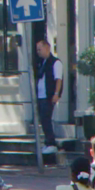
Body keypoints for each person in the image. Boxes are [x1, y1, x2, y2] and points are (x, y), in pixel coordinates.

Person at [34, 36, 63, 165]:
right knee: (43, 118)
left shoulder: (55, 63)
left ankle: (51, 142)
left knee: (46, 118)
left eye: (40, 49)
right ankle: (47, 141)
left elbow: (58, 79)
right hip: (41, 95)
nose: (38, 52)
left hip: (48, 95)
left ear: (47, 48)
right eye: (37, 50)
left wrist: (56, 93)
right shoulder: (42, 63)